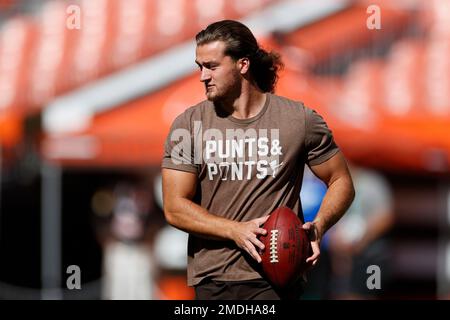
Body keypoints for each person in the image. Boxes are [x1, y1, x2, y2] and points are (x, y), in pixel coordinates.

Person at [161, 20, 355, 300]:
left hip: (276, 275)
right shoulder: (188, 124)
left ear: (243, 64)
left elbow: (341, 180)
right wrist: (235, 230)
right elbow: (174, 207)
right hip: (213, 278)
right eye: (199, 67)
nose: (203, 76)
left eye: (212, 66)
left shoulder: (299, 120)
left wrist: (320, 226)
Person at [327, 165, 394, 299]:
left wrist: (363, 239)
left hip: (373, 257)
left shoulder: (372, 183)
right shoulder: (335, 185)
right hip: (344, 258)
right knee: (342, 293)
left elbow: (387, 217)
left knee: (369, 293)